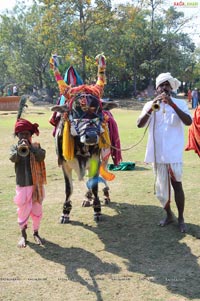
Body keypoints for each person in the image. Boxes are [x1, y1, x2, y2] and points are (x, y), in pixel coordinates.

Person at [137, 72, 192, 233]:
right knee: (161, 190)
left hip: (173, 154)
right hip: (157, 154)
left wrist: (172, 104)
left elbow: (188, 121)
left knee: (177, 186)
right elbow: (140, 124)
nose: (165, 87)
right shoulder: (151, 105)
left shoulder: (179, 103)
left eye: (168, 85)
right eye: (162, 85)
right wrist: (153, 105)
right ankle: (169, 215)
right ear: (157, 88)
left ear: (171, 88)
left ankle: (181, 218)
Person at [9, 118, 46, 248]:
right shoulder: (15, 147)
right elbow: (13, 158)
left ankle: (36, 232)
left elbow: (41, 156)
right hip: (23, 184)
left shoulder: (36, 146)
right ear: (17, 135)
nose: (24, 136)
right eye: (21, 134)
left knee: (37, 208)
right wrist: (20, 149)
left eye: (27, 134)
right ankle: (23, 235)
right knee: (23, 210)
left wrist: (31, 148)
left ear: (31, 135)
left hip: (36, 184)